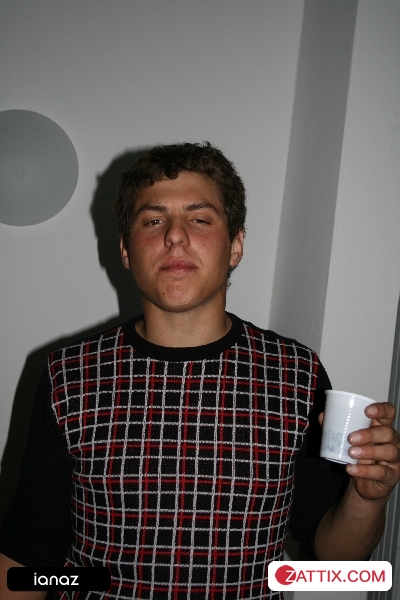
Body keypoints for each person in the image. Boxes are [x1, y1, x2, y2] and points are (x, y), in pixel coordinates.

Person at [0, 142, 399, 600]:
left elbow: (335, 561)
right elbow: (29, 552)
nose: (175, 236)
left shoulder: (298, 375)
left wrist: (365, 498)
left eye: (200, 219)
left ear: (235, 246)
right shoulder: (69, 376)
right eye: (153, 221)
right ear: (126, 250)